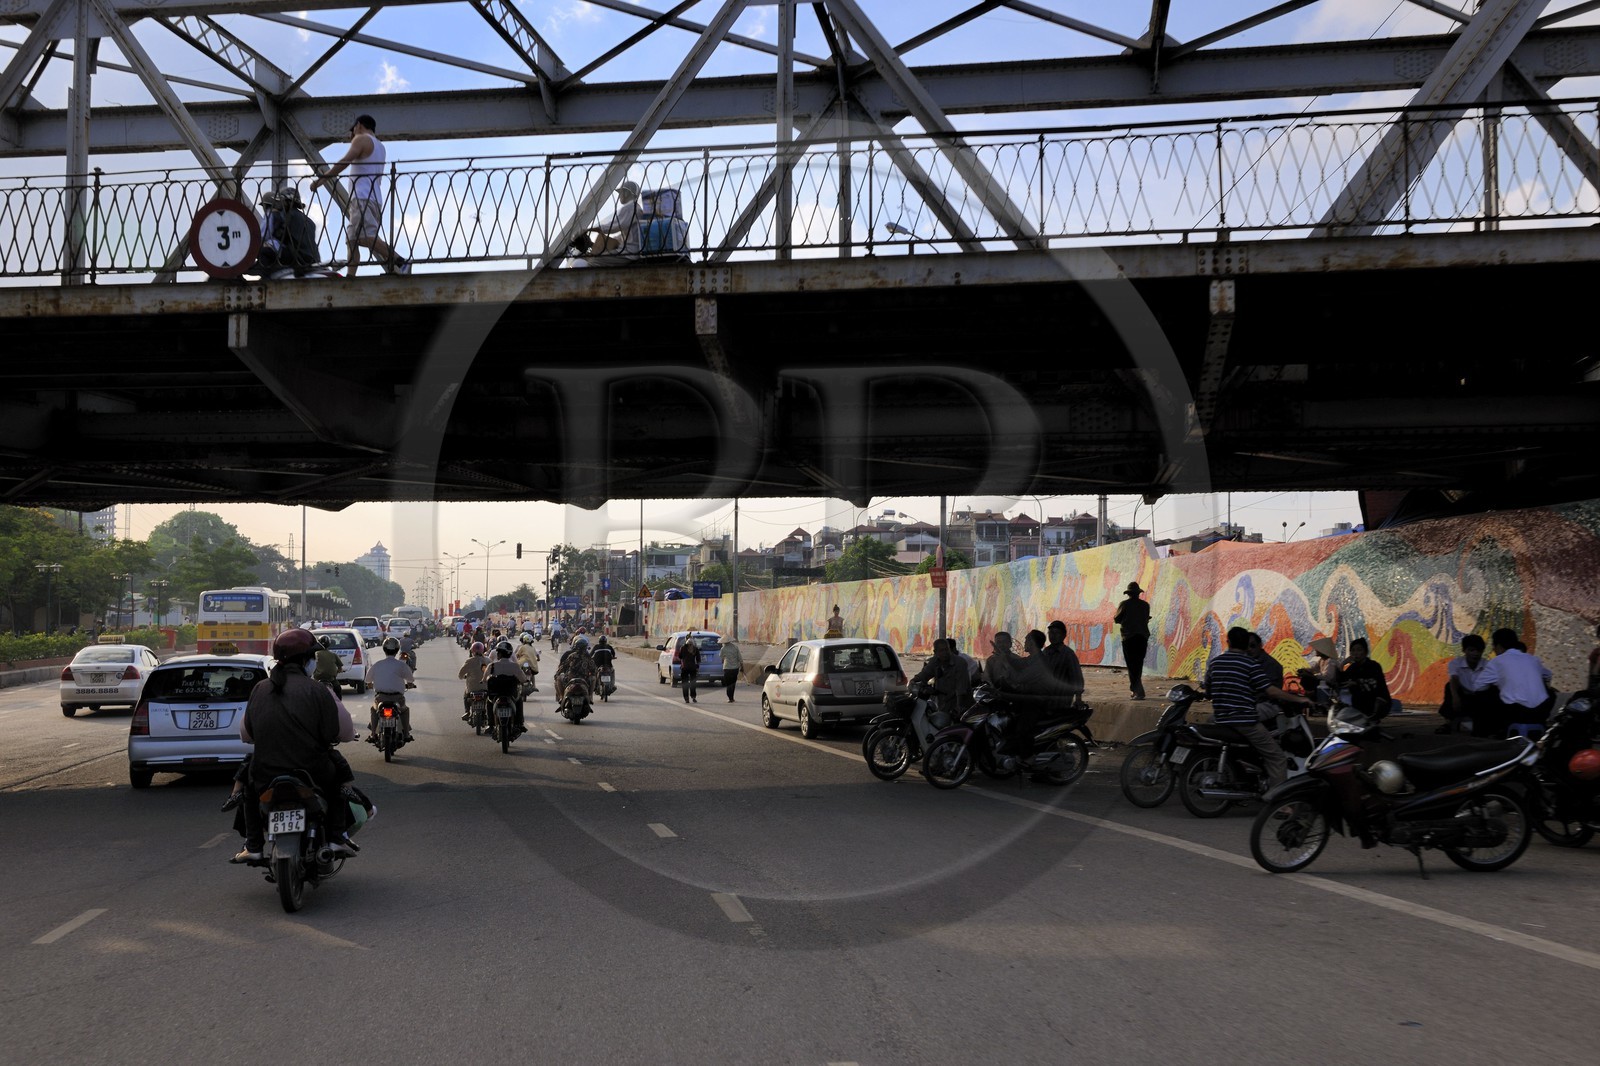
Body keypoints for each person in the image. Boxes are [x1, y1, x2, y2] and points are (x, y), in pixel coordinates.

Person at [232, 628, 357, 865]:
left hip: (265, 771)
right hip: (313, 770)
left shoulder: (259, 689)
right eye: (313, 657)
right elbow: (335, 733)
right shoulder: (318, 690)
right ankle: (336, 838)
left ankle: (253, 845)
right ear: (307, 660)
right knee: (339, 784)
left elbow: (246, 733)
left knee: (248, 791)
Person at [1205, 626, 1312, 791]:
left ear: (1228, 642)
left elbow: (1209, 690)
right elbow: (1271, 691)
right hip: (1245, 720)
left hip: (1220, 717)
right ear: (1246, 644)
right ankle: (1280, 804)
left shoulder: (1215, 663)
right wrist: (1299, 699)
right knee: (1277, 757)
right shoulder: (1250, 664)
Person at [308, 113, 411, 277]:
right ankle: (351, 277)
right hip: (374, 198)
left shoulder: (361, 138)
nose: (352, 134)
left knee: (363, 237)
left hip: (362, 197)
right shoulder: (380, 147)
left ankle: (400, 261)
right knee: (352, 239)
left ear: (359, 125)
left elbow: (344, 161)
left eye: (353, 130)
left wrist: (322, 180)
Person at [1473, 627, 1555, 738]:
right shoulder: (1533, 659)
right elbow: (1548, 675)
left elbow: (1477, 687)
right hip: (1540, 712)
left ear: (1498, 646)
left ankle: (1484, 735)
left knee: (1483, 695)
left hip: (1515, 713)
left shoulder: (1497, 661)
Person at [255, 184, 319, 274]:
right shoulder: (309, 221)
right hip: (312, 259)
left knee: (265, 250)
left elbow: (280, 235)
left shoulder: (287, 215)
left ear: (287, 201)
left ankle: (264, 275)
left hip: (296, 257)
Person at [364, 636, 416, 741]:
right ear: (397, 650)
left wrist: (370, 685)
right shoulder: (401, 665)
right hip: (398, 698)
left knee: (374, 710)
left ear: (384, 649)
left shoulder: (377, 665)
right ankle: (406, 734)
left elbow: (367, 680)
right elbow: (410, 679)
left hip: (380, 698)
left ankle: (373, 734)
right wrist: (409, 685)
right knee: (405, 711)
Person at [1439, 633, 1495, 733]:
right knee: (1449, 686)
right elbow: (1454, 679)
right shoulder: (1455, 663)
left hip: (1480, 698)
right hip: (1463, 696)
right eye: (1471, 650)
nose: (1475, 654)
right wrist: (1455, 697)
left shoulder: (1488, 665)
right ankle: (1447, 723)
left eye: (1479, 651)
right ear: (1464, 651)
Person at [908, 637, 973, 720]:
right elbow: (924, 674)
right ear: (935, 652)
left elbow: (961, 689)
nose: (945, 653)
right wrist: (913, 681)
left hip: (961, 706)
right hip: (943, 704)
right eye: (941, 650)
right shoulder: (935, 662)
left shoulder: (960, 663)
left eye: (947, 649)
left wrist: (959, 708)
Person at [577, 179, 642, 257]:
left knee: (595, 261)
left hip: (629, 252)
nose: (619, 196)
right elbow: (623, 236)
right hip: (631, 250)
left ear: (626, 193)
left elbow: (613, 226)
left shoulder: (630, 208)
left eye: (620, 192)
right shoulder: (636, 208)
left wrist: (589, 229)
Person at [1114, 581, 1152, 699]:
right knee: (1138, 664)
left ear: (1128, 593)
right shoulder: (1145, 605)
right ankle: (1136, 689)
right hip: (1142, 637)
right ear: (1138, 593)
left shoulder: (1124, 604)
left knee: (1131, 665)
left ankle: (1137, 690)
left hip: (1129, 637)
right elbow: (1146, 619)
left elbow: (1117, 619)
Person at [486, 640, 527, 736]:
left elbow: (484, 679)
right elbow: (523, 679)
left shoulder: (492, 666)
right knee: (519, 701)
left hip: (495, 695)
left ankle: (490, 724)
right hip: (511, 694)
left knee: (488, 702)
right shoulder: (515, 666)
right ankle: (519, 724)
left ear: (499, 654)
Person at [1041, 621, 1085, 704]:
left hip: (1061, 698)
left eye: (1056, 633)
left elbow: (1076, 677)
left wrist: (1078, 698)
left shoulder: (1068, 654)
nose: (1053, 635)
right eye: (1050, 633)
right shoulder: (1046, 652)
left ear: (1064, 635)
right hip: (1046, 697)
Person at [458, 640, 490, 720]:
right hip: (485, 687)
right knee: (489, 700)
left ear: (472, 651)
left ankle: (467, 711)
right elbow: (492, 673)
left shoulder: (469, 661)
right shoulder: (487, 660)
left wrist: (463, 677)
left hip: (472, 688)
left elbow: (460, 674)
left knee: (466, 695)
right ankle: (489, 714)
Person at [679, 635, 701, 703]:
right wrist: (697, 667)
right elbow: (698, 660)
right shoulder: (695, 649)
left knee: (685, 683)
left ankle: (686, 698)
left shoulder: (683, 648)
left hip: (684, 668)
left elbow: (680, 656)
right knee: (693, 683)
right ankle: (693, 696)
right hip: (692, 668)